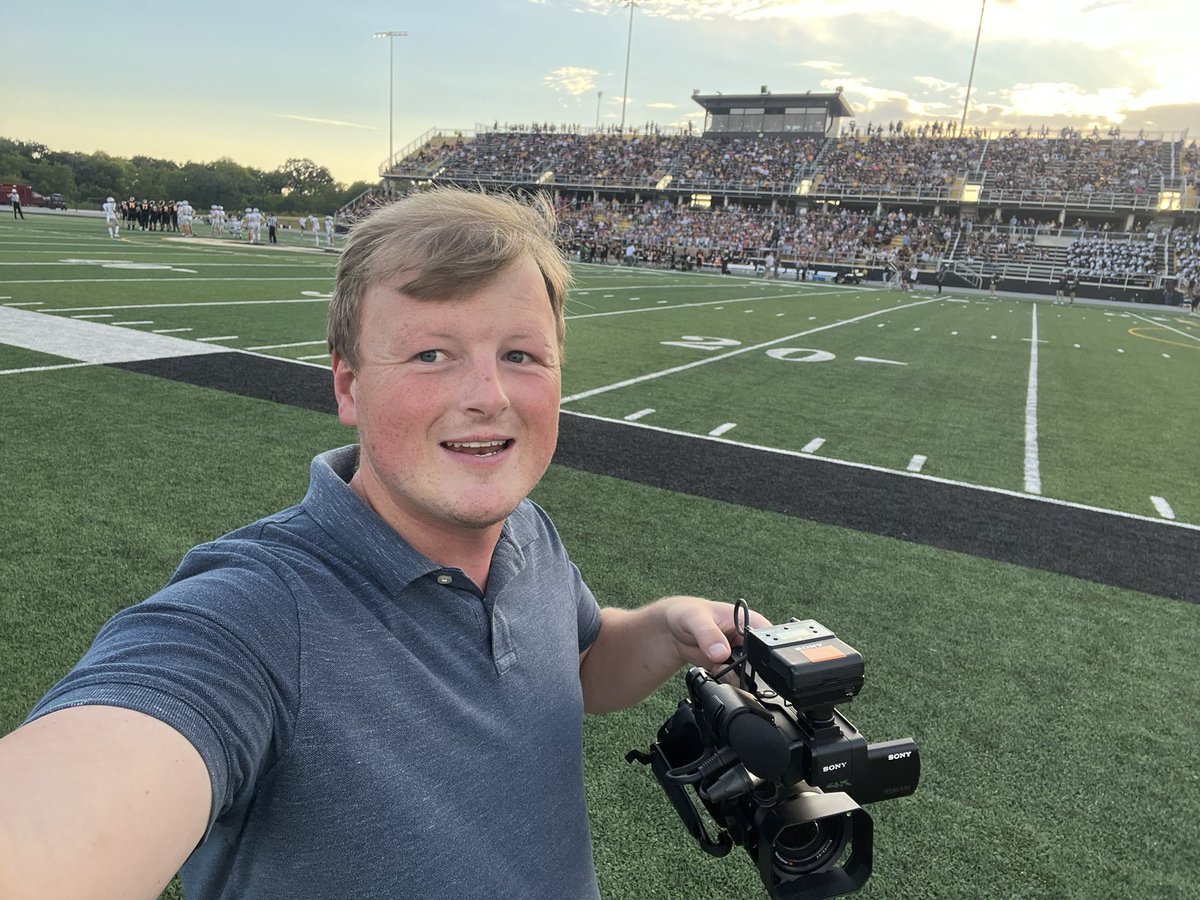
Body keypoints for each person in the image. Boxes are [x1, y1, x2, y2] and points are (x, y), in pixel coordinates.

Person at [0, 187, 766, 900]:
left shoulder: (526, 531)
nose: (489, 396)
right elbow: (80, 792)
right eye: (431, 354)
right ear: (348, 385)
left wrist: (664, 627)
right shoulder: (252, 617)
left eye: (521, 355)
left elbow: (580, 663)